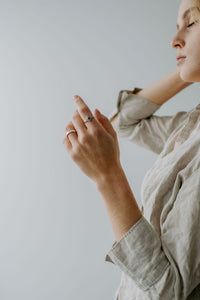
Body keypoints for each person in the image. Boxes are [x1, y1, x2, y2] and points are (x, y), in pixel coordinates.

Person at [62, 0, 200, 298]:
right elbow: (126, 121)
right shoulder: (193, 125)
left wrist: (108, 177)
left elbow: (166, 293)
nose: (175, 40)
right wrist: (187, 67)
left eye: (191, 24)